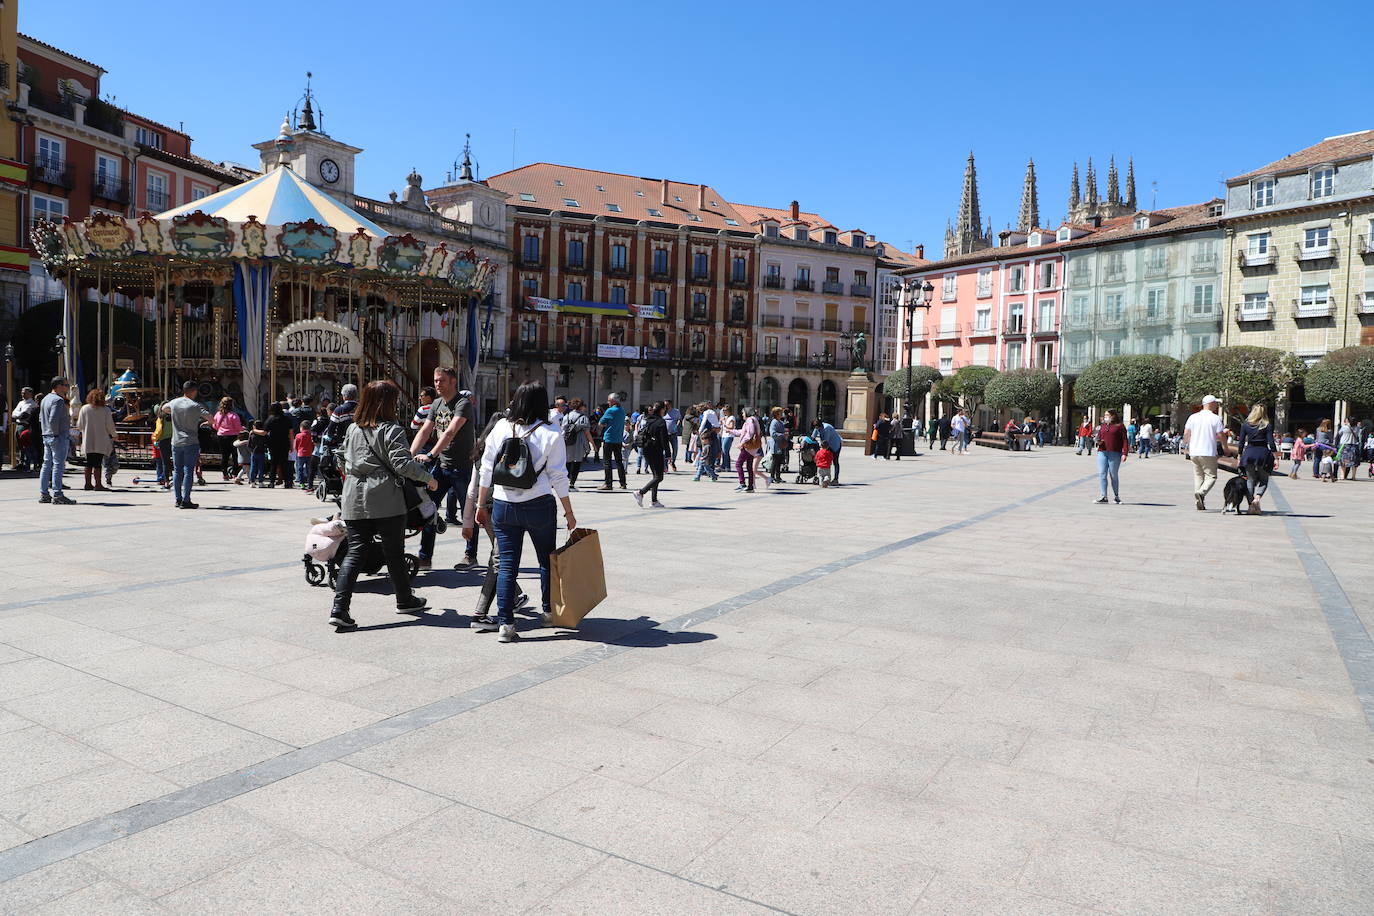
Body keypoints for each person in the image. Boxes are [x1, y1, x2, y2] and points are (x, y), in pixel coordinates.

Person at [329, 379, 437, 630]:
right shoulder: (392, 429)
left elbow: (342, 459)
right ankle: (404, 599)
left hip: (354, 497)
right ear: (387, 403)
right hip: (386, 499)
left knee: (355, 552)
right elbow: (403, 464)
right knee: (394, 553)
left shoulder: (353, 429)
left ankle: (339, 608)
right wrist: (428, 479)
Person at [476, 380, 576, 642]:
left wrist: (479, 504)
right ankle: (546, 612)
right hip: (539, 503)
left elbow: (486, 468)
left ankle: (506, 624)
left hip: (503, 504)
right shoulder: (551, 433)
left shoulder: (500, 427)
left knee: (508, 564)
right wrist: (569, 512)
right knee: (546, 560)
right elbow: (559, 477)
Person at [411, 369, 478, 569]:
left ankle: (470, 555)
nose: (437, 384)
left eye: (441, 381)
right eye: (435, 381)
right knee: (428, 509)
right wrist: (408, 455)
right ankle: (425, 557)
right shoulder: (436, 404)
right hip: (442, 466)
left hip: (463, 468)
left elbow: (449, 432)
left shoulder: (462, 404)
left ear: (453, 381)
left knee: (468, 512)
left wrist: (430, 454)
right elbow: (425, 430)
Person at [162, 380, 209, 509]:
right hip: (190, 441)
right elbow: (210, 418)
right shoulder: (195, 405)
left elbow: (163, 408)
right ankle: (186, 500)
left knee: (177, 471)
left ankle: (178, 499)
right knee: (188, 471)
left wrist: (174, 413)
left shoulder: (174, 402)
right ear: (194, 391)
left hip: (176, 442)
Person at [1182, 395, 1227, 511]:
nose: (1217, 405)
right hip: (1208, 451)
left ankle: (1198, 500)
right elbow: (1221, 434)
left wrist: (1186, 445)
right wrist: (1225, 447)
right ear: (1210, 404)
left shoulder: (1193, 417)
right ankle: (1201, 493)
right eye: (1215, 403)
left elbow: (1186, 433)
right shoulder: (1215, 418)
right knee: (1211, 476)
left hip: (1194, 451)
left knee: (1198, 476)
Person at [1237, 404, 1278, 514]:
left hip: (1249, 453)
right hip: (1263, 454)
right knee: (1264, 479)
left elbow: (1241, 442)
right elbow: (1271, 442)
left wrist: (1239, 455)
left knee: (1250, 479)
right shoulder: (1267, 425)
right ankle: (1257, 498)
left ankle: (1251, 504)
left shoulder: (1245, 425)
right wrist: (1276, 457)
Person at [76, 389, 117, 492]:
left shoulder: (84, 409)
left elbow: (79, 425)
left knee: (89, 462)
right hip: (101, 440)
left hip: (88, 439)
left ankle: (87, 484)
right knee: (98, 463)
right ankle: (98, 484)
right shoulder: (106, 410)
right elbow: (109, 425)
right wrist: (114, 435)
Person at [633, 401, 671, 508]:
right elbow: (664, 440)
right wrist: (668, 453)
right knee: (659, 477)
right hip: (655, 450)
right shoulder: (660, 422)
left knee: (655, 476)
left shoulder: (647, 419)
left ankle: (654, 501)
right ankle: (641, 492)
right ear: (662, 409)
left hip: (646, 449)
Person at [1094, 408, 1130, 504]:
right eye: (1105, 415)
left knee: (1113, 475)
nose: (1105, 417)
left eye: (1107, 415)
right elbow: (1099, 437)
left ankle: (1116, 496)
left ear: (1113, 416)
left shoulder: (1120, 426)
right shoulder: (1103, 426)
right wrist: (1098, 441)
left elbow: (1125, 440)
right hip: (1102, 451)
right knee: (1102, 473)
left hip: (1115, 453)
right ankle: (1103, 496)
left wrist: (1125, 453)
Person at [596, 391, 627, 491]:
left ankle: (608, 484)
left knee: (607, 462)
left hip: (609, 439)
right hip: (618, 439)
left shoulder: (610, 410)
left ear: (613, 401)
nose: (608, 402)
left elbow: (600, 423)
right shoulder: (622, 410)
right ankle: (623, 483)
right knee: (619, 462)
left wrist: (605, 425)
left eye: (609, 400)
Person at [561, 397, 593, 487]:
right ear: (581, 406)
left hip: (567, 441)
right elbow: (587, 433)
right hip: (579, 442)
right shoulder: (583, 417)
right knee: (577, 462)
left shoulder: (566, 416)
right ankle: (572, 482)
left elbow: (562, 430)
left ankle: (566, 481)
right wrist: (592, 444)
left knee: (567, 461)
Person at [211, 397, 243, 481]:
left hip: (221, 436)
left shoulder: (218, 414)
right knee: (235, 456)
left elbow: (215, 426)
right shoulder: (233, 415)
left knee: (224, 456)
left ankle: (224, 474)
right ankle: (235, 473)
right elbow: (238, 427)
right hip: (233, 436)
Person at [733, 408, 765, 492]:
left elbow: (750, 433)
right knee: (749, 466)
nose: (742, 414)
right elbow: (743, 431)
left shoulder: (750, 420)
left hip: (748, 446)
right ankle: (750, 486)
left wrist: (742, 443)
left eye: (743, 413)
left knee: (738, 464)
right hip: (753, 447)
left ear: (747, 413)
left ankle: (742, 483)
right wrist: (731, 431)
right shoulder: (754, 420)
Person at [263, 403, 293, 488]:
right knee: (284, 463)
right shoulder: (287, 419)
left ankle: (272, 482)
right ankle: (287, 482)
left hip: (273, 443)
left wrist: (254, 431)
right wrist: (292, 445)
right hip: (284, 443)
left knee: (273, 463)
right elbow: (291, 433)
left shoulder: (270, 419)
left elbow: (265, 432)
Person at [811, 418, 844, 485]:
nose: (816, 428)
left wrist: (820, 450)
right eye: (815, 427)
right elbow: (813, 437)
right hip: (827, 445)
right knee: (825, 460)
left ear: (820, 425)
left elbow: (825, 442)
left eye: (817, 427)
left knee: (835, 461)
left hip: (835, 445)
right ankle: (824, 476)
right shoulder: (817, 428)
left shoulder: (826, 428)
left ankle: (835, 479)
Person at [767, 407, 789, 484]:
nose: (782, 413)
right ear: (777, 414)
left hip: (780, 444)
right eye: (781, 412)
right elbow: (772, 433)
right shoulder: (774, 422)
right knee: (775, 461)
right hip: (776, 445)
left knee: (778, 462)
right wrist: (783, 434)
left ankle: (777, 477)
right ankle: (772, 477)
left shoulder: (779, 421)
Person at [1336, 417, 1359, 481]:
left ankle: (1342, 476)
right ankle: (1354, 476)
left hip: (1345, 445)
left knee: (1343, 461)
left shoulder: (1345, 427)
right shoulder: (1357, 428)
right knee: (1354, 462)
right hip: (1354, 445)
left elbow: (1339, 433)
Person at [663, 399, 681, 471]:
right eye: (665, 405)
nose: (665, 406)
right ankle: (665, 466)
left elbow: (679, 419)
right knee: (665, 451)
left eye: (667, 404)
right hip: (665, 434)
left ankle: (672, 462)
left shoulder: (676, 411)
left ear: (670, 404)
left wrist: (677, 425)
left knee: (675, 449)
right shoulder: (663, 412)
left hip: (673, 433)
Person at [719, 405, 737, 472]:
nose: (723, 412)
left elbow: (731, 426)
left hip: (729, 436)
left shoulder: (732, 417)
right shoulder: (725, 417)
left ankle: (726, 466)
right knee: (723, 451)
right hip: (724, 435)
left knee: (725, 451)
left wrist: (724, 423)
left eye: (725, 410)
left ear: (729, 411)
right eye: (723, 410)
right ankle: (725, 466)